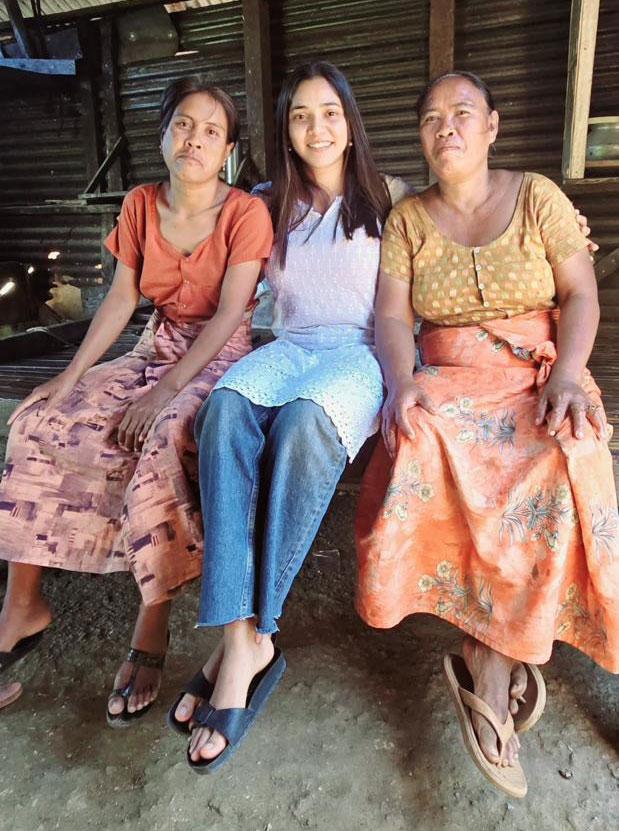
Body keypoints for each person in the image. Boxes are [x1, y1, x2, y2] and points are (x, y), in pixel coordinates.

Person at [355, 71, 618, 798]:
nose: (447, 127)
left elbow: (579, 293)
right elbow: (389, 315)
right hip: (448, 375)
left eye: (462, 112)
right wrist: (402, 378)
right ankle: (493, 657)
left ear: (492, 125)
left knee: (570, 453)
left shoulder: (536, 196)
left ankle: (491, 655)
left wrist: (567, 373)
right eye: (432, 116)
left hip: (539, 371)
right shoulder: (406, 219)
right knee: (418, 436)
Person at [0, 76, 273, 726]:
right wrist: (69, 378)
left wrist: (164, 393)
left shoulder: (244, 214)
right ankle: (22, 604)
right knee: (40, 423)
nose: (195, 139)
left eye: (211, 130)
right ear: (162, 134)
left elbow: (232, 312)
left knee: (159, 441)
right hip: (154, 347)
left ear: (229, 148)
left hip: (218, 358)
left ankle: (151, 624)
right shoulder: (141, 204)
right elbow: (122, 300)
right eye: (183, 124)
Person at [167, 60, 395, 771]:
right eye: (300, 115)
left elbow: (468, 223)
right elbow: (186, 216)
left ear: (350, 124)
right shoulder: (263, 203)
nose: (316, 127)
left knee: (299, 427)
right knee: (225, 411)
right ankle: (243, 637)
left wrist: (560, 227)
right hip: (290, 346)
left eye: (329, 112)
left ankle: (251, 638)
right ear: (285, 131)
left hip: (360, 355)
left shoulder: (394, 200)